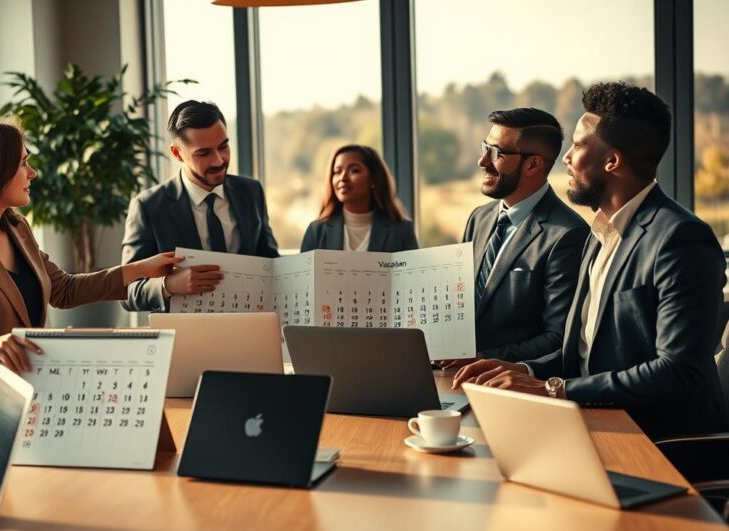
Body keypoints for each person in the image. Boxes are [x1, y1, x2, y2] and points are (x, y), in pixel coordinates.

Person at [454, 83, 728, 439]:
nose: (565, 157)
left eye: (578, 145)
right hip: (594, 422)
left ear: (612, 161)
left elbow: (677, 371)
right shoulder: (600, 232)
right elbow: (583, 353)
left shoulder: (680, 239)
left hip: (656, 440)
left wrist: (555, 390)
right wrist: (521, 369)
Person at [0, 115, 181, 421]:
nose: (33, 172)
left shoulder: (16, 227)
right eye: (22, 164)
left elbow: (64, 289)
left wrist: (142, 269)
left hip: (24, 401)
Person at [436, 108, 588, 369]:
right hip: (451, 375)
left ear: (533, 165)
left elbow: (557, 338)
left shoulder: (567, 235)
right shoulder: (479, 218)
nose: (482, 161)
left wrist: (482, 359)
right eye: (485, 147)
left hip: (511, 387)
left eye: (496, 153)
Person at [122, 100, 280, 312]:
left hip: (249, 328)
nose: (218, 160)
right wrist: (168, 286)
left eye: (223, 147)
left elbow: (270, 263)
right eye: (204, 153)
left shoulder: (251, 192)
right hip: (185, 337)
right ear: (177, 153)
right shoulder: (148, 207)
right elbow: (126, 292)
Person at [300, 144, 417, 253]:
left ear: (374, 178)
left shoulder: (401, 230)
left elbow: (411, 273)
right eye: (337, 172)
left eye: (354, 170)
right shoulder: (317, 231)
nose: (343, 178)